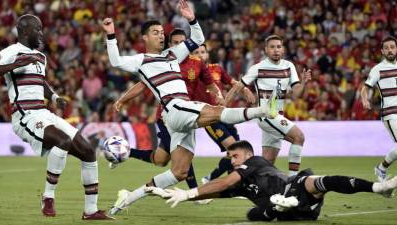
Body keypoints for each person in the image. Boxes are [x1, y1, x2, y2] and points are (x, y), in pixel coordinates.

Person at [102, 0, 277, 215]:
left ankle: (128, 198)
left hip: (181, 115)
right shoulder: (141, 60)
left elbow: (198, 39)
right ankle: (262, 110)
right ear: (145, 37)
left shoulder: (173, 54)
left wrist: (192, 19)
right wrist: (111, 35)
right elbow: (116, 61)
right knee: (214, 113)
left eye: (161, 32)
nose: (160, 35)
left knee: (179, 172)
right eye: (155, 32)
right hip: (175, 107)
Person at [0, 14, 112, 219]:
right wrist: (17, 64)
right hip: (25, 115)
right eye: (37, 29)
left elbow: (40, 81)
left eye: (41, 29)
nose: (41, 33)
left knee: (87, 150)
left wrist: (54, 96)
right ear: (24, 31)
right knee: (63, 141)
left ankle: (90, 210)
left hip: (43, 111)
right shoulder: (11, 52)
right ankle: (48, 197)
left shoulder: (41, 57)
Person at [147, 140, 397, 222]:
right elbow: (215, 192)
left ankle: (378, 187)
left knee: (316, 181)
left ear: (247, 154)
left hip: (295, 189)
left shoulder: (253, 162)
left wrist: (188, 193)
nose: (232, 160)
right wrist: (174, 193)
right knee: (252, 214)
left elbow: (222, 183)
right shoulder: (240, 184)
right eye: (230, 157)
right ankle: (279, 206)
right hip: (302, 214)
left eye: (234, 156)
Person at [112, 28, 226, 202]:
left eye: (183, 42)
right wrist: (123, 99)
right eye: (176, 43)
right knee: (180, 158)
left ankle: (126, 153)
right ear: (171, 45)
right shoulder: (165, 60)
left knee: (160, 159)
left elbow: (209, 83)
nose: (180, 45)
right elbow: (142, 85)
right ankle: (195, 193)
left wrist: (217, 93)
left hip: (192, 111)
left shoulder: (197, 63)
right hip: (168, 116)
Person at [225, 35, 311, 176]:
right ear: (266, 50)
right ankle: (293, 182)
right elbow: (237, 87)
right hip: (266, 116)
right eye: (272, 47)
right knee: (299, 137)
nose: (276, 50)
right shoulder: (258, 68)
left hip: (278, 116)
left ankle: (246, 184)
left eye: (279, 47)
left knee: (268, 161)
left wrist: (304, 83)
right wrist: (224, 105)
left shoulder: (289, 66)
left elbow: (297, 93)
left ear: (282, 49)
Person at [192, 44, 255, 183]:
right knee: (235, 147)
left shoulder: (217, 69)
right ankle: (230, 182)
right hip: (209, 118)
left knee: (235, 149)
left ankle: (216, 179)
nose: (200, 54)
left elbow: (233, 82)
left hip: (225, 114)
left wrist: (245, 90)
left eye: (203, 52)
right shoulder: (191, 74)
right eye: (196, 52)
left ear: (207, 55)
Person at [361, 36, 397, 182]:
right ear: (382, 51)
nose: (390, 50)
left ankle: (381, 168)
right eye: (387, 48)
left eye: (392, 47)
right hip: (391, 113)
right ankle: (381, 169)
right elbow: (365, 88)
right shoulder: (378, 69)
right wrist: (365, 100)